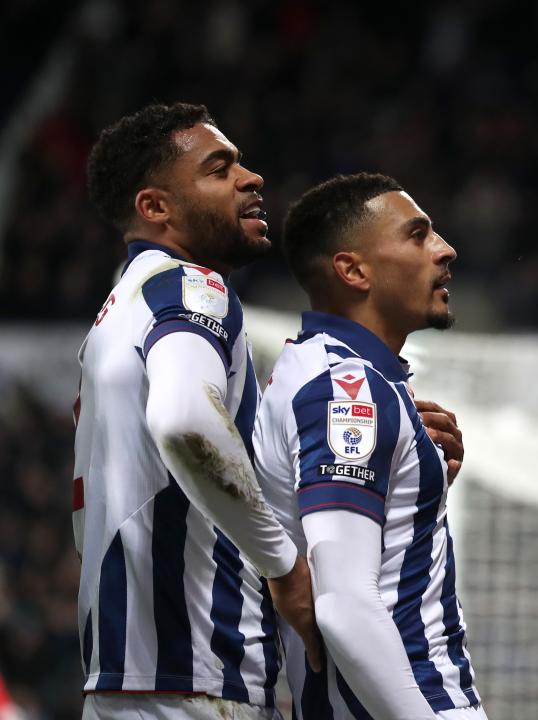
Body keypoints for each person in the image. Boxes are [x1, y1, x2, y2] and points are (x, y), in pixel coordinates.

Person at [74, 102, 324, 720]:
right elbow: (186, 420)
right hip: (196, 681)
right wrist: (284, 567)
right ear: (154, 207)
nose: (251, 177)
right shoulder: (189, 286)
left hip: (127, 681)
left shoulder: (119, 311)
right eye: (219, 169)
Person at [254, 173, 485, 719]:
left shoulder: (329, 373)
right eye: (417, 235)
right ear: (353, 269)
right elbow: (343, 603)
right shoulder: (345, 389)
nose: (445, 250)